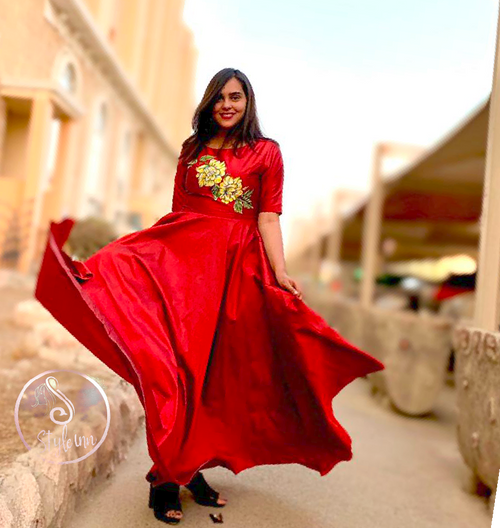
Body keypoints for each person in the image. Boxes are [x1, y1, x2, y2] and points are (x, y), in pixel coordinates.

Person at [35, 68, 385, 524]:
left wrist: (279, 272)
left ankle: (190, 468)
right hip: (184, 272)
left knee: (215, 377)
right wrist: (143, 253)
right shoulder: (193, 149)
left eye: (236, 97)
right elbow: (180, 212)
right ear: (209, 102)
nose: (227, 105)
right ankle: (166, 479)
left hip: (235, 274)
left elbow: (268, 217)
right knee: (173, 368)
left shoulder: (267, 152)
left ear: (248, 101)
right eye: (220, 97)